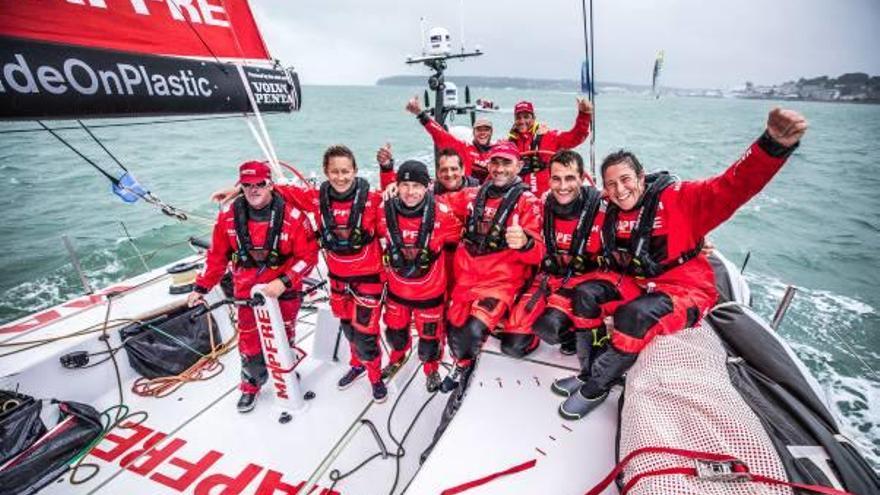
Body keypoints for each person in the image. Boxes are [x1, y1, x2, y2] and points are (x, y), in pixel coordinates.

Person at [558, 107, 808, 420]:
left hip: (684, 288)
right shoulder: (607, 209)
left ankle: (597, 386)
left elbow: (733, 186)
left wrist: (771, 146)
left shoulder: (680, 199)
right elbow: (567, 208)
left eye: (625, 179)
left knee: (633, 317)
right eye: (611, 184)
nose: (620, 190)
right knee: (584, 295)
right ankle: (586, 371)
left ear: (641, 176)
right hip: (638, 283)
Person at [211, 146, 389, 402]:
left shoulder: (373, 200)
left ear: (355, 171)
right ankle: (357, 365)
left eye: (345, 171)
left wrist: (388, 172)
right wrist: (239, 189)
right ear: (326, 173)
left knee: (366, 335)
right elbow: (274, 189)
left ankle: (375, 378)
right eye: (334, 172)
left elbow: (399, 211)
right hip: (338, 280)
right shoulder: (316, 198)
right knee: (349, 329)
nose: (340, 177)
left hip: (369, 280)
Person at [189, 161, 318, 413]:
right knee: (249, 339)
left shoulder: (293, 217)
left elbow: (309, 256)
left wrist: (284, 281)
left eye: (259, 184)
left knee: (284, 333)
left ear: (270, 184)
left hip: (283, 287)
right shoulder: (227, 218)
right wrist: (201, 287)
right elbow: (216, 257)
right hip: (246, 287)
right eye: (247, 185)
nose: (254, 190)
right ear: (241, 187)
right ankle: (251, 385)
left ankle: (286, 373)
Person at [505, 150, 640, 384]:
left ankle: (571, 334)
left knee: (550, 326)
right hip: (548, 279)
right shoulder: (540, 208)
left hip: (584, 281)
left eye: (570, 178)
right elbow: (535, 255)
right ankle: (553, 326)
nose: (563, 186)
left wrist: (696, 242)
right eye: (556, 179)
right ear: (548, 181)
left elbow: (640, 205)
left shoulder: (605, 208)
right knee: (513, 346)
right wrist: (524, 244)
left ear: (582, 178)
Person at [440, 141, 545, 391]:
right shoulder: (472, 195)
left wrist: (525, 243)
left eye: (506, 163)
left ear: (519, 166)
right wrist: (392, 186)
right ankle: (462, 363)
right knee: (453, 329)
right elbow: (435, 203)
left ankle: (520, 335)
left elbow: (539, 255)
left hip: (500, 283)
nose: (499, 168)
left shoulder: (528, 203)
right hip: (467, 280)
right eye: (495, 162)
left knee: (471, 332)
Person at [377, 160, 463, 392]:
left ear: (427, 187)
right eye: (405, 185)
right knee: (395, 333)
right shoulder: (382, 210)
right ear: (397, 186)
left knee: (429, 341)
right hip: (396, 292)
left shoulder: (443, 213)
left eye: (417, 185)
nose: (410, 191)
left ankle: (431, 369)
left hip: (430, 294)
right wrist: (385, 171)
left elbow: (460, 241)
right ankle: (396, 359)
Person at [378, 146, 479, 296]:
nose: (449, 174)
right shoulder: (428, 190)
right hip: (436, 261)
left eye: (454, 168)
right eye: (444, 170)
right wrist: (388, 173)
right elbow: (406, 190)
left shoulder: (477, 192)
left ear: (463, 170)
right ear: (437, 173)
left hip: (462, 259)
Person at [507, 98, 592, 196]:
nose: (522, 121)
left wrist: (584, 115)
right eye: (518, 117)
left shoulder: (548, 136)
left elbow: (575, 137)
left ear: (534, 118)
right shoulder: (510, 142)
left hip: (545, 195)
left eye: (526, 117)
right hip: (520, 195)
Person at [405, 96, 495, 182]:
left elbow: (509, 140)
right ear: (473, 132)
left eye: (486, 130)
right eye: (479, 130)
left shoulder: (498, 150)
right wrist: (420, 114)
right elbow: (439, 134)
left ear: (491, 132)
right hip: (469, 192)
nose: (483, 133)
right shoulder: (463, 148)